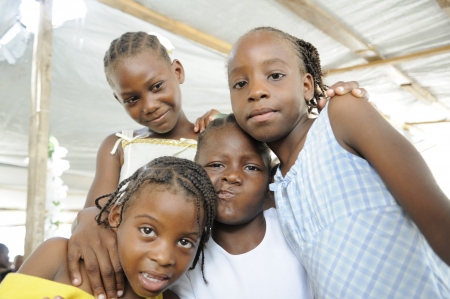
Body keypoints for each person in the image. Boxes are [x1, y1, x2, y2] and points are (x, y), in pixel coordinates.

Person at [68, 31, 368, 299]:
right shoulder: (119, 144)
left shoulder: (213, 135)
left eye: (157, 86)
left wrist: (328, 102)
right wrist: (86, 217)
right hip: (147, 275)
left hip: (202, 268)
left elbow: (268, 168)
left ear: (177, 71)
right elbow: (99, 215)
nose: (149, 105)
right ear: (117, 99)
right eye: (131, 98)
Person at [227, 26, 450, 298]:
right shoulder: (274, 187)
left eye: (275, 75)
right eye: (240, 83)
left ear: (307, 86)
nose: (256, 91)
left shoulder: (341, 116)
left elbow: (440, 220)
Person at [0, 157, 216, 299]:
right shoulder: (58, 256)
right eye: (148, 231)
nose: (163, 257)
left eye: (185, 242)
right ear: (115, 217)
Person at [171, 114, 312, 298]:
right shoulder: (185, 257)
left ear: (269, 179)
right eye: (216, 164)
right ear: (195, 174)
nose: (232, 176)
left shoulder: (296, 228)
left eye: (251, 167)